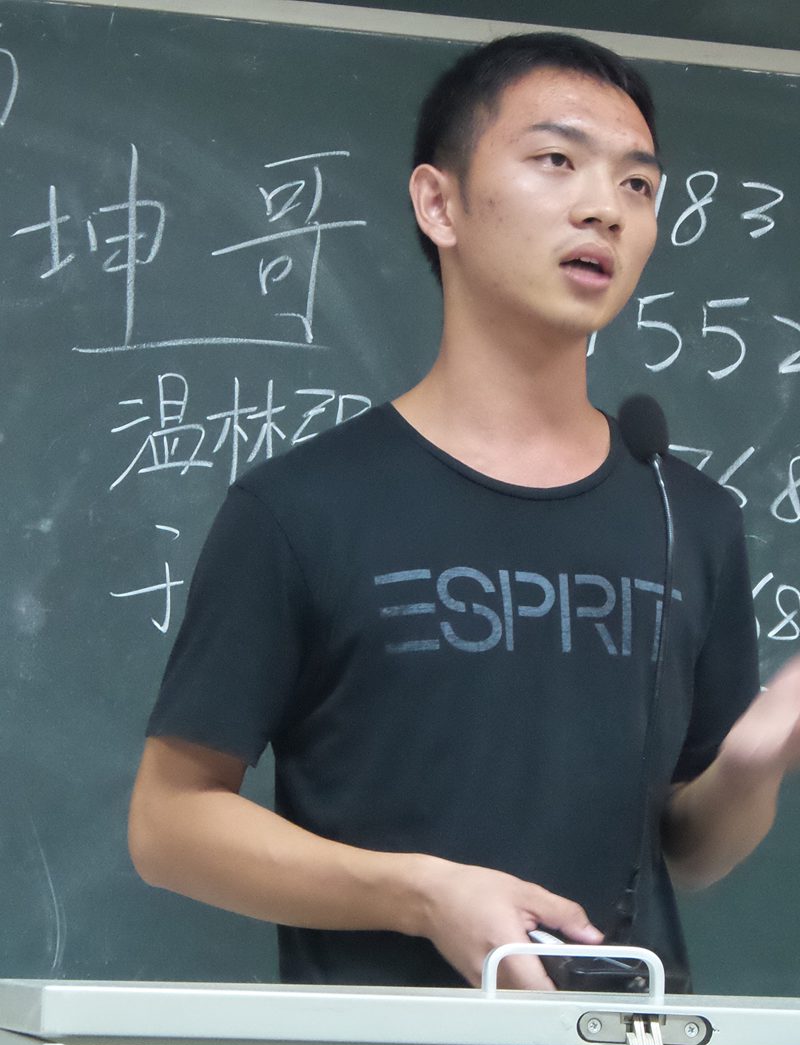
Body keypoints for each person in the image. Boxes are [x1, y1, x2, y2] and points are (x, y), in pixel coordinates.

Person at [129, 32, 800, 992]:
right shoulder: (303, 507)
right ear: (438, 204)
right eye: (556, 161)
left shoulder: (687, 515)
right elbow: (169, 825)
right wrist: (421, 895)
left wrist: (750, 768)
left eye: (638, 185)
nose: (604, 208)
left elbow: (689, 851)